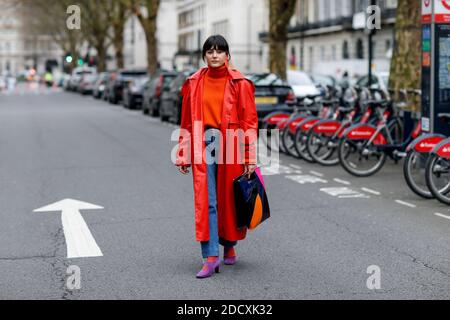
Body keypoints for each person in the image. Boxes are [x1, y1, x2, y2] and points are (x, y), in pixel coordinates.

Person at [175, 35, 258, 279]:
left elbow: (250, 122)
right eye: (210, 51)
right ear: (204, 56)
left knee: (229, 199)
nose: (214, 55)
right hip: (203, 142)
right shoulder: (193, 83)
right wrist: (183, 153)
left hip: (231, 142)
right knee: (207, 200)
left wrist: (249, 156)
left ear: (227, 55)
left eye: (219, 51)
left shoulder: (240, 83)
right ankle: (211, 257)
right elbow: (187, 121)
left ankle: (229, 244)